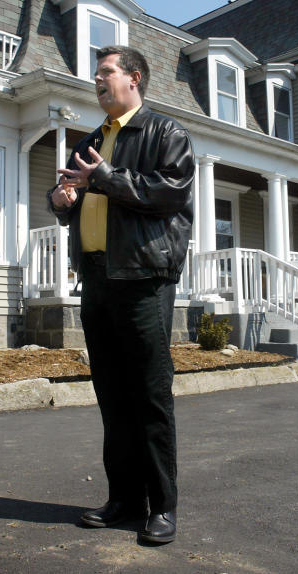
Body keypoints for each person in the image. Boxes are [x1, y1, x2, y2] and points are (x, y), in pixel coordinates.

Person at [48, 45, 195, 544]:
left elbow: (169, 191)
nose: (97, 79)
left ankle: (162, 506)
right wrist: (62, 199)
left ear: (134, 78)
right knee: (111, 395)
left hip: (143, 280)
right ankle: (125, 499)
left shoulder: (164, 132)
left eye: (106, 72)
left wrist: (103, 179)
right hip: (97, 279)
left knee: (149, 394)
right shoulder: (92, 141)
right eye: (96, 74)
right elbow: (74, 197)